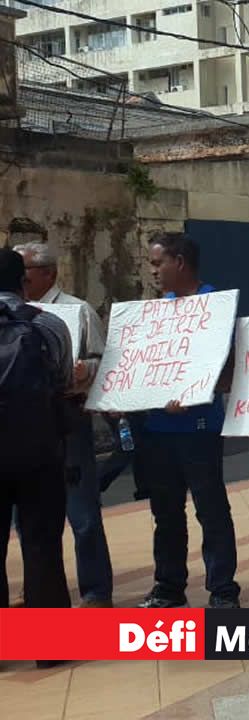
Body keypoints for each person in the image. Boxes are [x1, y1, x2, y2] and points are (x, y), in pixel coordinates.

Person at [137, 232, 241, 610]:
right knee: (165, 512)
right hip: (157, 429)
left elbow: (228, 366)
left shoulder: (215, 307)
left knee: (210, 509)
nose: (153, 271)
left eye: (156, 262)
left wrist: (198, 392)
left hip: (199, 428)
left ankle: (223, 590)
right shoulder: (155, 311)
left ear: (179, 262)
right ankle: (168, 586)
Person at [15, 242, 112, 608]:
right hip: (27, 425)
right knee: (29, 517)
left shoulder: (78, 311)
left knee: (83, 512)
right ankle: (36, 588)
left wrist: (86, 369)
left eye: (25, 273)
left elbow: (106, 361)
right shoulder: (14, 314)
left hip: (69, 420)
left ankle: (96, 591)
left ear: (49, 273)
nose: (21, 281)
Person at [0, 247, 74, 625]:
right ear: (23, 280)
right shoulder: (49, 325)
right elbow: (62, 382)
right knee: (42, 543)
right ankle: (48, 643)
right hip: (38, 452)